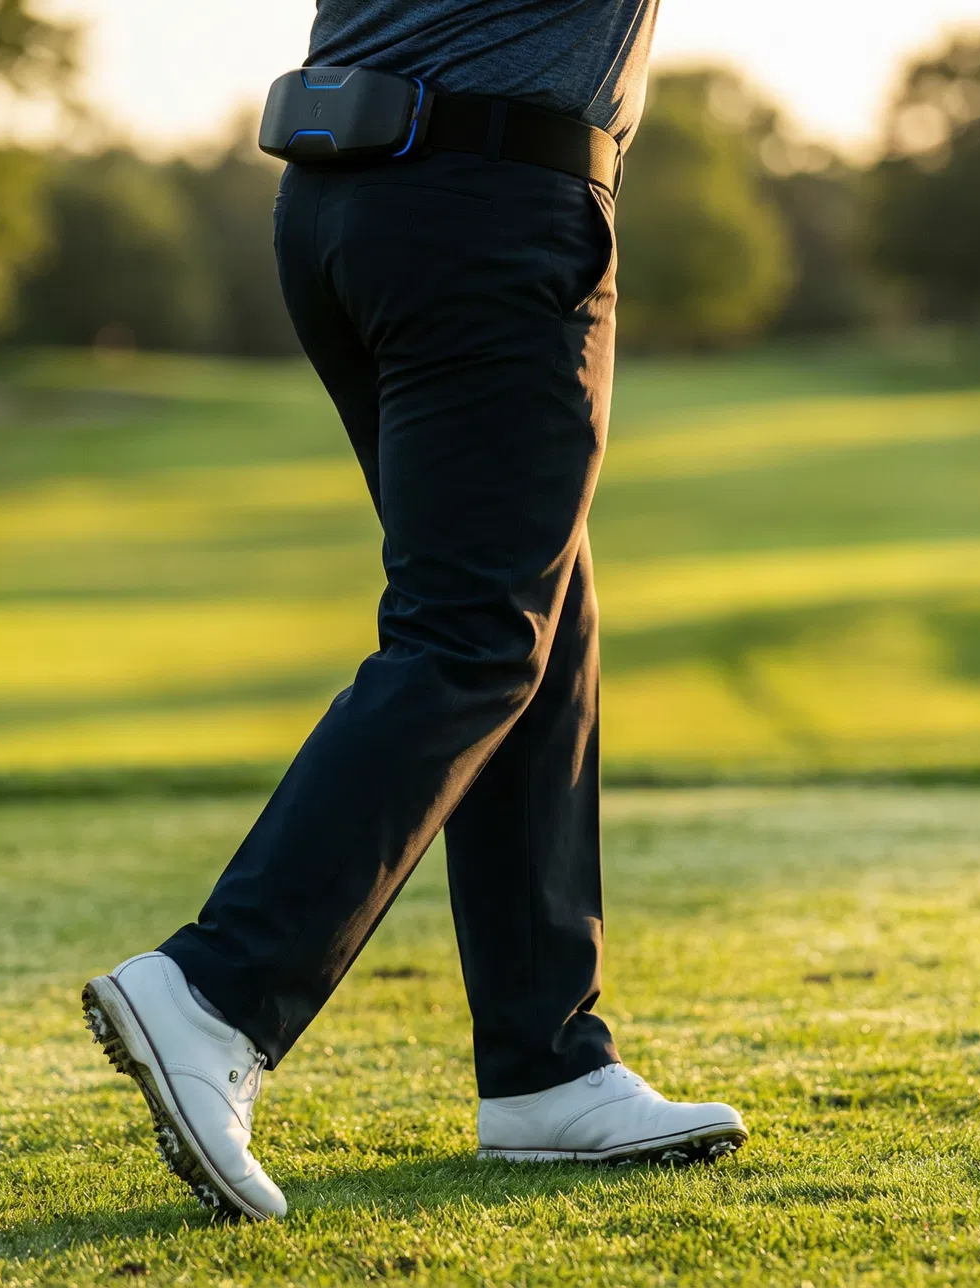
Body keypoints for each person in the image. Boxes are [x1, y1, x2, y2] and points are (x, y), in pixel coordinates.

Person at [81, 0, 747, 1222]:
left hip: (354, 198)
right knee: (477, 630)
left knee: (533, 609)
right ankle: (217, 992)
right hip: (486, 201)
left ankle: (546, 1067)